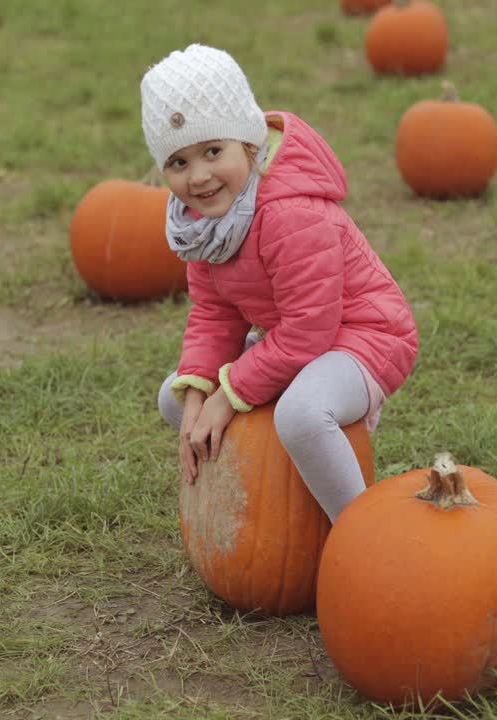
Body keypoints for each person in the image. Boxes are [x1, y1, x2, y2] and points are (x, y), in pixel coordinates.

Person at [143, 44, 419, 522]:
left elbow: (310, 327)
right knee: (176, 396)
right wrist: (199, 398)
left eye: (213, 151)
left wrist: (229, 394)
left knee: (302, 415)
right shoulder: (203, 224)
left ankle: (363, 532)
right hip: (294, 338)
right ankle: (268, 507)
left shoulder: (290, 214)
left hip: (364, 337)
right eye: (179, 163)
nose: (200, 177)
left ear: (249, 143)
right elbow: (214, 314)